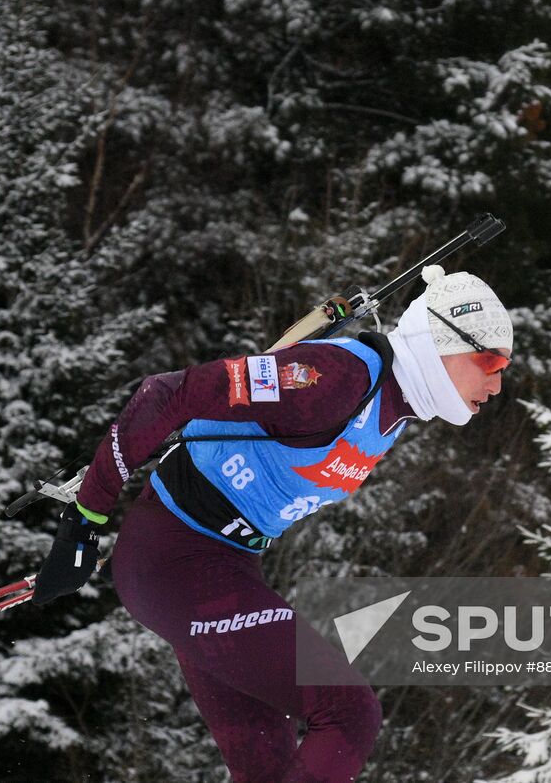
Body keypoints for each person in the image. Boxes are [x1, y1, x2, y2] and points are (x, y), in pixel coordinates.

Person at [31, 265, 513, 782]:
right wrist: (83, 520)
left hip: (218, 569)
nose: (497, 380)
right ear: (437, 342)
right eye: (489, 359)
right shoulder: (337, 378)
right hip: (177, 564)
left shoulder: (392, 409)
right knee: (350, 714)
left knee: (269, 766)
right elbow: (165, 394)